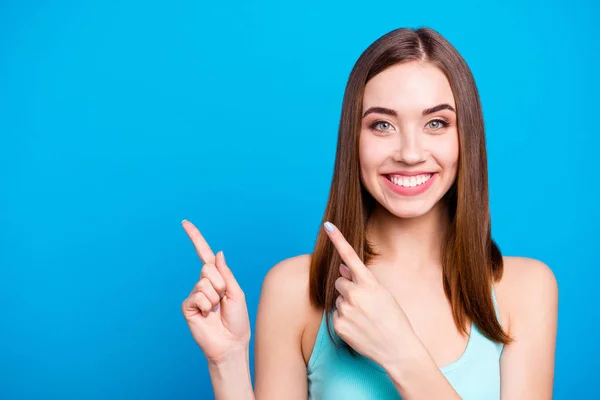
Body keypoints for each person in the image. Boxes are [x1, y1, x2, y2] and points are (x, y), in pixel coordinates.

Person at [180, 27, 558, 399]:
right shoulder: (294, 290)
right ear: (354, 141)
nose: (410, 153)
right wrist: (227, 362)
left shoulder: (525, 291)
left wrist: (402, 353)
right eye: (382, 125)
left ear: (466, 138)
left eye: (436, 123)